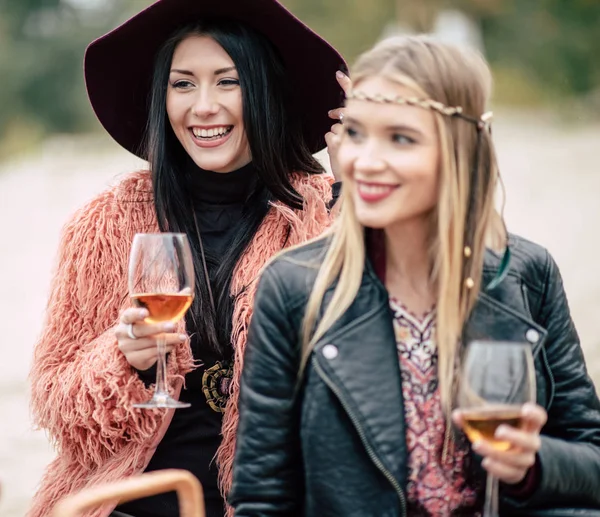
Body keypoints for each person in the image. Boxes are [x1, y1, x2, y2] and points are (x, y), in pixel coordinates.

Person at [229, 35, 600, 516]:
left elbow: (590, 457)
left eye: (400, 138)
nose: (365, 160)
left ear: (459, 152)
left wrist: (535, 465)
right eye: (357, 134)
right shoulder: (293, 286)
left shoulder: (528, 275)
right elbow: (262, 498)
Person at [28, 1, 348, 516]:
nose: (203, 106)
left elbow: (377, 368)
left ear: (264, 91)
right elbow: (58, 407)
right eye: (183, 84)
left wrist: (358, 186)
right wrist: (123, 358)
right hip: (128, 505)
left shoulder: (325, 214)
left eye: (228, 81)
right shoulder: (106, 224)